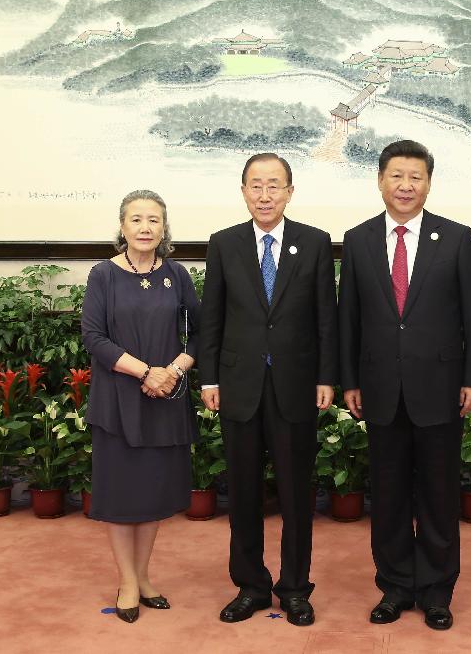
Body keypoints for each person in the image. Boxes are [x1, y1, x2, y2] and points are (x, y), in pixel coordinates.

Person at [338, 139, 471, 631]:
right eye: (397, 175)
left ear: (429, 183)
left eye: (416, 177)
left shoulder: (457, 237)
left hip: (442, 387)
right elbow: (349, 321)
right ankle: (396, 586)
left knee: (440, 495)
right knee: (388, 495)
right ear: (380, 180)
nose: (406, 185)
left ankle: (438, 591)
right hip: (380, 388)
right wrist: (349, 381)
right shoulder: (358, 240)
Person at [198, 153, 338, 627]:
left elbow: (326, 318)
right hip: (238, 386)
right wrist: (210, 378)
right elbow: (211, 318)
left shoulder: (315, 243)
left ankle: (295, 587)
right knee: (242, 492)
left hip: (297, 386)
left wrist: (325, 376)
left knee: (298, 493)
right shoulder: (224, 244)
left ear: (290, 192)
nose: (265, 195)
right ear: (243, 191)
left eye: (274, 185)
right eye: (256, 185)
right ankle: (251, 586)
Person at [81, 189, 200, 624]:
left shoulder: (177, 275)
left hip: (165, 398)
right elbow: (93, 337)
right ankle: (126, 580)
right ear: (122, 226)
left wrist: (173, 369)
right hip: (118, 400)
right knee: (120, 493)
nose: (145, 227)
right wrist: (146, 372)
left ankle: (145, 577)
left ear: (164, 227)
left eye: (153, 219)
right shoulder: (103, 276)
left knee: (152, 492)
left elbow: (202, 334)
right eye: (136, 219)